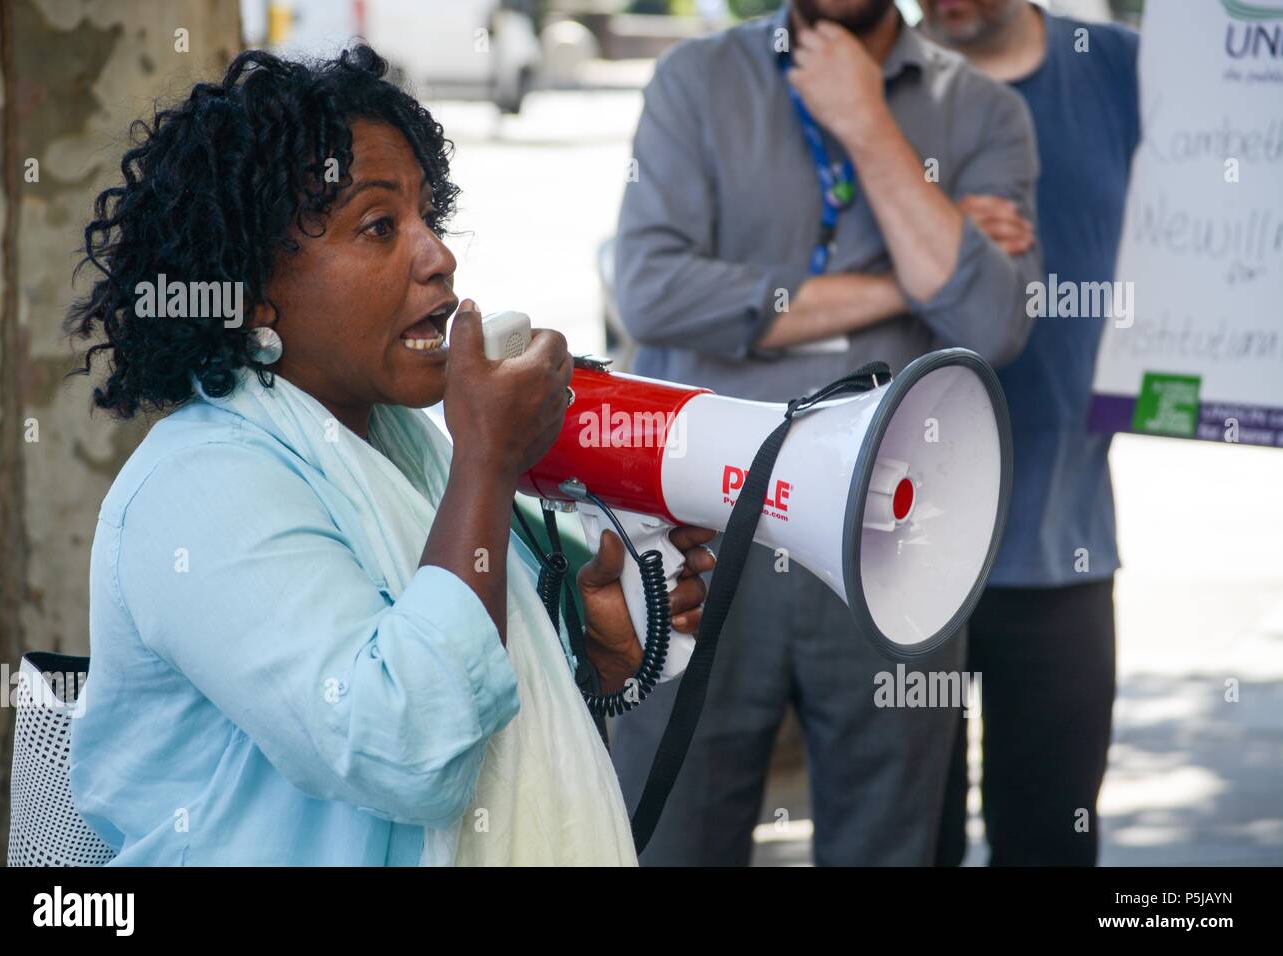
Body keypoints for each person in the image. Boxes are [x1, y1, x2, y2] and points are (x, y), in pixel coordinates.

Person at [64, 45, 718, 866]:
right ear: (255, 288)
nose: (437, 255)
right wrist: (486, 461)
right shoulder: (199, 488)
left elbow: (457, 669)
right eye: (380, 226)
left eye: (427, 216)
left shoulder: (398, 441)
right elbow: (405, 748)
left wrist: (590, 651)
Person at [610, 0, 1043, 865]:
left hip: (898, 542)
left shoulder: (987, 110)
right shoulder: (696, 79)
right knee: (669, 839)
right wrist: (913, 277)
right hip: (696, 538)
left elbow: (995, 322)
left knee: (888, 845)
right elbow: (654, 292)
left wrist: (867, 122)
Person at [919, 0, 1140, 866]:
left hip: (1061, 539)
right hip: (894, 550)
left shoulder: (1124, 71)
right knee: (903, 845)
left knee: (1052, 838)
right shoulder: (873, 86)